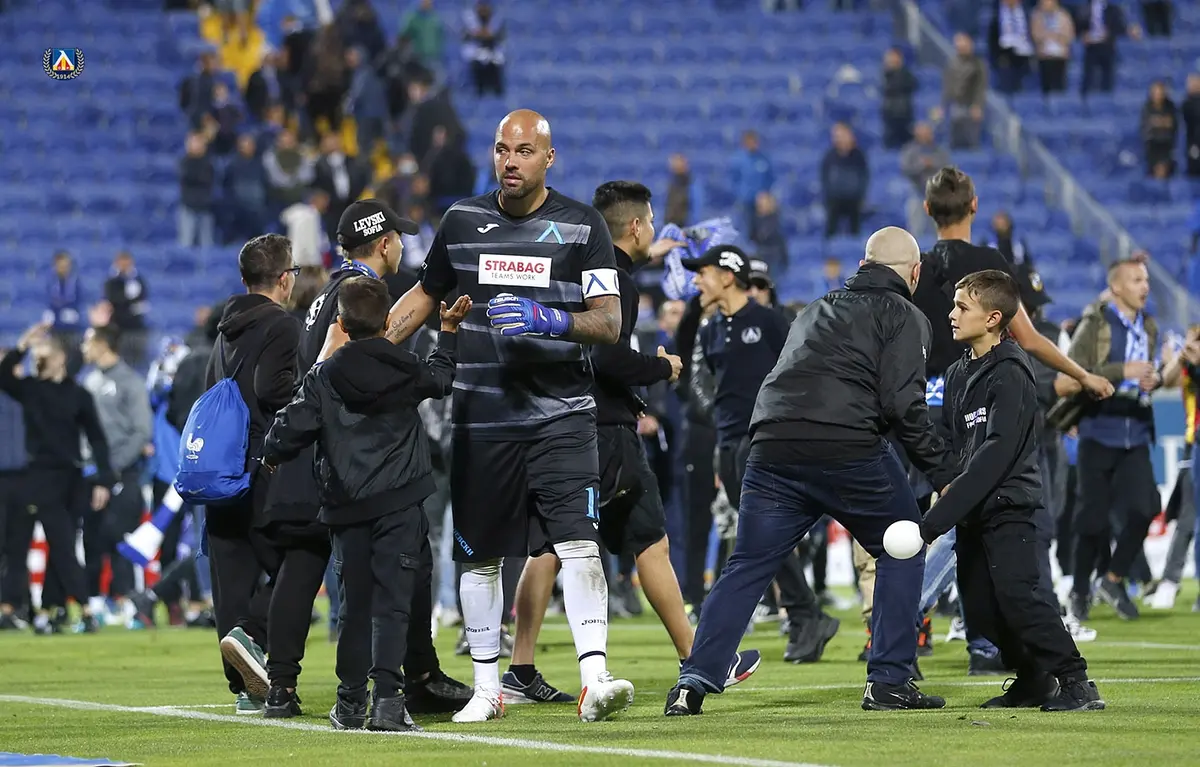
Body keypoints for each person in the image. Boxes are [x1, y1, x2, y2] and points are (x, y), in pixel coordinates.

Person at [333, 109, 633, 723]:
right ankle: (487, 691)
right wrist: (369, 352)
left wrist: (551, 320)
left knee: (579, 542)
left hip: (562, 415)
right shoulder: (461, 221)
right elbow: (425, 296)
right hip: (481, 417)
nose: (510, 161)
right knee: (478, 557)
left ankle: (594, 679)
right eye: (502, 150)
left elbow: (609, 321)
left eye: (524, 151)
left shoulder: (584, 226)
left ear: (549, 157)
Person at [665, 227, 959, 716]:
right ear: (915, 273)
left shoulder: (816, 308)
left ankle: (691, 683)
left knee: (748, 563)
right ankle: (889, 681)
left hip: (772, 445)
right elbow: (904, 407)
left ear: (862, 266)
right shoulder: (905, 315)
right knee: (902, 546)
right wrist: (945, 473)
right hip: (848, 446)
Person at [907, 167, 1111, 659]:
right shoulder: (989, 269)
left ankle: (919, 625)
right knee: (967, 515)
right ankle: (942, 625)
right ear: (974, 206)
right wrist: (1083, 376)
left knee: (934, 519)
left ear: (928, 210)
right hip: (974, 406)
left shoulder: (916, 268)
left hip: (920, 414)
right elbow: (1031, 339)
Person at [279, 198, 472, 715]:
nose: (402, 246)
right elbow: (364, 372)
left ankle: (378, 688)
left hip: (342, 474)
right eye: (398, 238)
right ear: (385, 244)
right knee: (393, 586)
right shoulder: (355, 302)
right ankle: (398, 688)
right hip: (376, 473)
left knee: (367, 590)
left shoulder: (328, 296)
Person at [573, 180, 762, 687]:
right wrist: (661, 368)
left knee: (558, 544)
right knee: (648, 540)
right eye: (651, 222)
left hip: (572, 425)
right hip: (608, 430)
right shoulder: (618, 281)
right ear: (636, 226)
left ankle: (519, 668)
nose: (654, 231)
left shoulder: (588, 270)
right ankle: (699, 659)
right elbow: (608, 357)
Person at [920, 270, 1104, 712]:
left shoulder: (1012, 372)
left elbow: (997, 451)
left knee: (1021, 598)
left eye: (962, 307)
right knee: (980, 611)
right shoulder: (957, 373)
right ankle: (1033, 680)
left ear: (992, 318)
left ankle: (1076, 682)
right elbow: (954, 444)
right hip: (973, 511)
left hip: (1009, 506)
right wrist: (951, 493)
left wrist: (937, 518)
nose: (952, 314)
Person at [684, 244, 840, 663]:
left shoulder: (768, 321)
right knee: (760, 537)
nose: (696, 281)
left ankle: (805, 614)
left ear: (727, 277)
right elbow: (704, 382)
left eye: (703, 273)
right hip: (727, 442)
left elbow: (802, 367)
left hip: (763, 441)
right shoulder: (710, 329)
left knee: (761, 537)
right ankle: (807, 615)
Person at [205, 234, 301, 712]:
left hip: (218, 468)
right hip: (262, 465)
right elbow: (273, 389)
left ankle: (244, 688)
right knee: (295, 565)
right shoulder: (282, 325)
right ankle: (254, 636)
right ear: (284, 279)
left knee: (231, 579)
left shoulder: (223, 331)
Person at [1056, 259, 1180, 621]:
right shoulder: (1095, 324)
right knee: (1092, 521)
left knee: (1146, 508)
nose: (1145, 286)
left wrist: (1154, 380)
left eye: (1146, 279)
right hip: (1099, 429)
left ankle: (1112, 579)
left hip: (1136, 431)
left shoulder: (1149, 326)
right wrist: (1120, 371)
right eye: (1136, 280)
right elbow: (1069, 377)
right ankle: (1080, 590)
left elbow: (1149, 376)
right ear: (1117, 288)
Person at [0, 324, 113, 634]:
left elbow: (97, 438)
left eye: (44, 352)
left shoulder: (79, 395)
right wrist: (22, 345)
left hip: (71, 480)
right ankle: (82, 608)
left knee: (62, 546)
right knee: (47, 545)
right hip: (38, 478)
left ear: (60, 357)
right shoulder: (30, 389)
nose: (38, 357)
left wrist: (103, 479)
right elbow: (2, 374)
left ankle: (56, 608)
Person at [79, 324, 153, 620]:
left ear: (102, 344)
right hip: (92, 474)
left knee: (120, 539)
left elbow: (141, 432)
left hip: (124, 474)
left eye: (87, 342)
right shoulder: (89, 380)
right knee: (92, 540)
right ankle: (95, 604)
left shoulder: (130, 382)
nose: (83, 348)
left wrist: (112, 469)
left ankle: (127, 603)